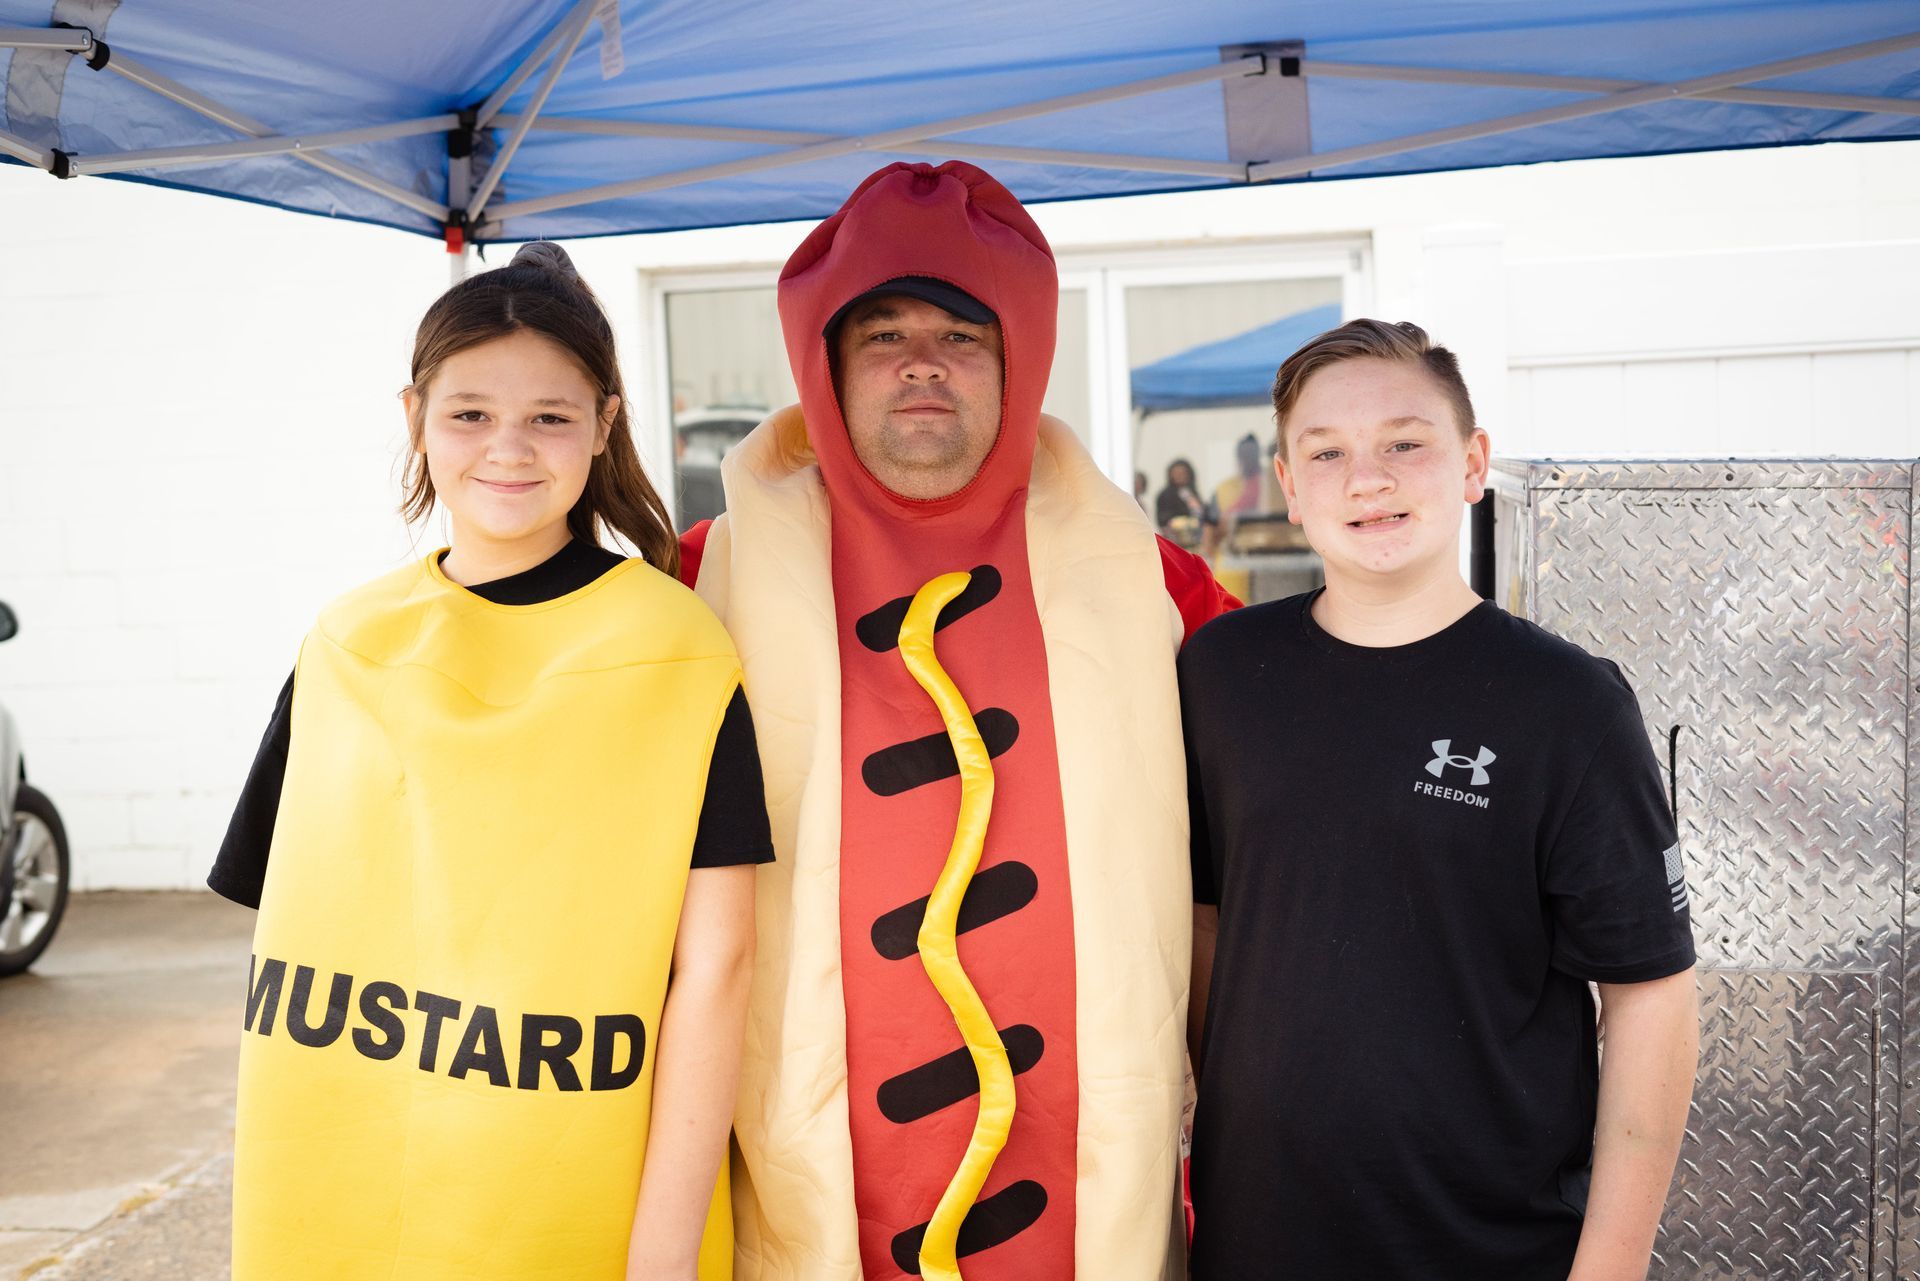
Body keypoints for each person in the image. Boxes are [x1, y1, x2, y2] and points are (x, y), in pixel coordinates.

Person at [677, 161, 1236, 1280]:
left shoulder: (1159, 586)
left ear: (1016, 360)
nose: (922, 363)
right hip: (807, 1196)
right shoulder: (696, 585)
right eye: (882, 334)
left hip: (1088, 1204)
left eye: (961, 335)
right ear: (823, 366)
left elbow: (1272, 852)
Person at [209, 243, 769, 1281]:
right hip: (338, 1202)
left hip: (569, 1199)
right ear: (415, 413)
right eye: (470, 413)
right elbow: (294, 956)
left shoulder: (676, 648)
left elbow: (717, 971)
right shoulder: (347, 642)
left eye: (549, 416)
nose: (508, 447)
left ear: (603, 426)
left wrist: (664, 1256)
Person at [1180, 319, 1699, 1279]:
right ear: (1289, 488)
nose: (1366, 479)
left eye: (1404, 443)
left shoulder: (1569, 703)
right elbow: (1209, 923)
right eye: (1326, 452)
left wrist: (1611, 1268)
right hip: (1256, 1239)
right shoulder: (1220, 674)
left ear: (1472, 463)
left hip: (1491, 1244)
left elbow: (1650, 996)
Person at [1154, 457, 1207, 546]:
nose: (1179, 476)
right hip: (1176, 539)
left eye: (1182, 473)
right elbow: (1163, 519)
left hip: (1196, 539)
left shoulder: (1192, 492)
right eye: (1176, 473)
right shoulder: (1166, 494)